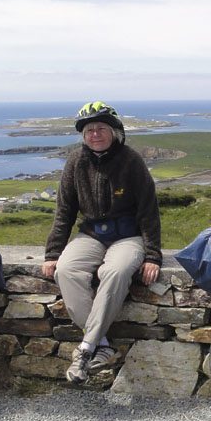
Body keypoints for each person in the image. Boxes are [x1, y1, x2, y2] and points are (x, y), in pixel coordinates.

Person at [41, 101, 162, 384]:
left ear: (115, 131)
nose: (95, 134)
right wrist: (52, 252)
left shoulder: (131, 160)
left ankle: (85, 349)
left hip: (127, 236)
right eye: (89, 130)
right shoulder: (75, 162)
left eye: (101, 128)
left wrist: (153, 255)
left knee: (115, 271)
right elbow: (65, 210)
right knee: (66, 270)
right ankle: (103, 345)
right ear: (83, 135)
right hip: (92, 234)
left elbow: (148, 209)